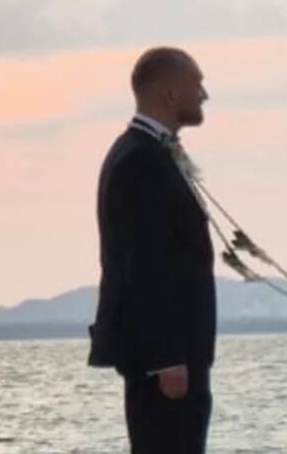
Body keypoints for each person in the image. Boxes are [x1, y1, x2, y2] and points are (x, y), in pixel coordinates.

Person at [88, 47, 217, 454]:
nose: (204, 95)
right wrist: (166, 358)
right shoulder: (140, 161)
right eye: (197, 85)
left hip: (181, 350)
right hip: (164, 356)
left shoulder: (150, 152)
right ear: (170, 94)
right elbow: (144, 265)